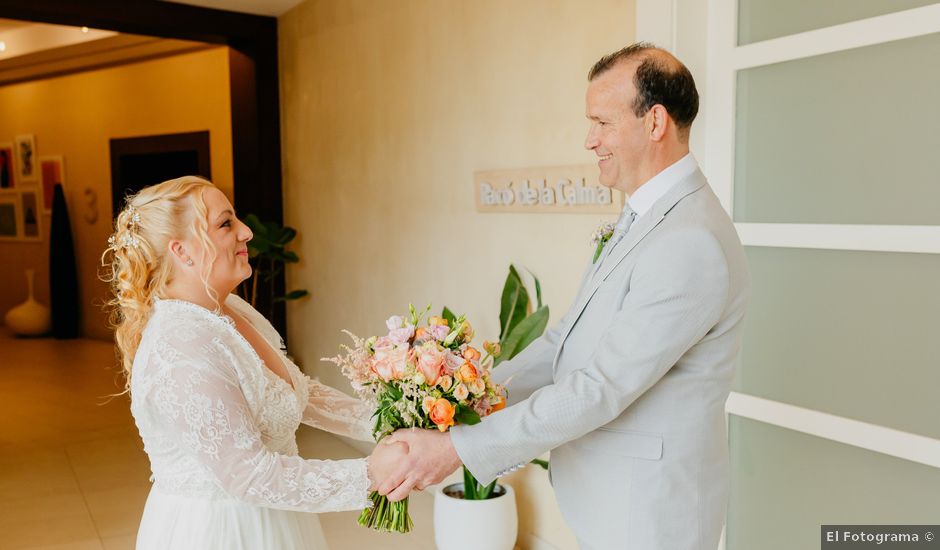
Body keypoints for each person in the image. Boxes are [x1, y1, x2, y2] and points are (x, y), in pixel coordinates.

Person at [378, 43, 751, 550]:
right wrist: (471, 395)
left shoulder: (690, 241)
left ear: (655, 121)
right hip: (607, 499)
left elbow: (601, 387)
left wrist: (459, 448)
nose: (588, 139)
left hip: (649, 512)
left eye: (601, 122)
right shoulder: (645, 216)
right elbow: (566, 337)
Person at [101, 175, 403, 549]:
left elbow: (295, 392)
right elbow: (248, 474)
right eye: (226, 223)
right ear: (183, 251)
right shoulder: (183, 343)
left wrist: (390, 421)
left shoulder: (227, 309)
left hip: (274, 518)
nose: (245, 232)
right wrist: (375, 474)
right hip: (223, 530)